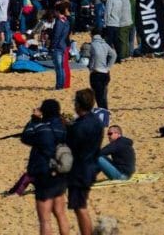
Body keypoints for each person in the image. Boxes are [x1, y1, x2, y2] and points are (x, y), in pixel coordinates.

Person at [21, 99, 70, 235]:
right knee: (61, 214)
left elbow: (25, 137)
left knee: (45, 219)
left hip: (44, 173)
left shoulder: (41, 128)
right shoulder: (64, 128)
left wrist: (34, 119)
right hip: (61, 171)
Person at [66, 89, 103, 235]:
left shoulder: (80, 127)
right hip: (90, 166)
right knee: (81, 205)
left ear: (79, 105)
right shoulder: (96, 121)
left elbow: (70, 145)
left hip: (80, 170)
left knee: (80, 207)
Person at [86, 28, 117, 110]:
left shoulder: (93, 45)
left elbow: (93, 57)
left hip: (97, 73)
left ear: (92, 35)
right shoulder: (105, 44)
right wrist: (108, 67)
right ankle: (105, 111)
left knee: (99, 97)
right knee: (104, 95)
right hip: (105, 73)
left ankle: (103, 113)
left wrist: (91, 68)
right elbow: (114, 55)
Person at [49, 4, 72, 90]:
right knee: (62, 67)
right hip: (63, 45)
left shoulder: (59, 22)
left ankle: (59, 85)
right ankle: (61, 84)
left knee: (58, 67)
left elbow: (56, 36)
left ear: (58, 12)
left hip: (58, 46)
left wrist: (52, 46)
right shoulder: (66, 21)